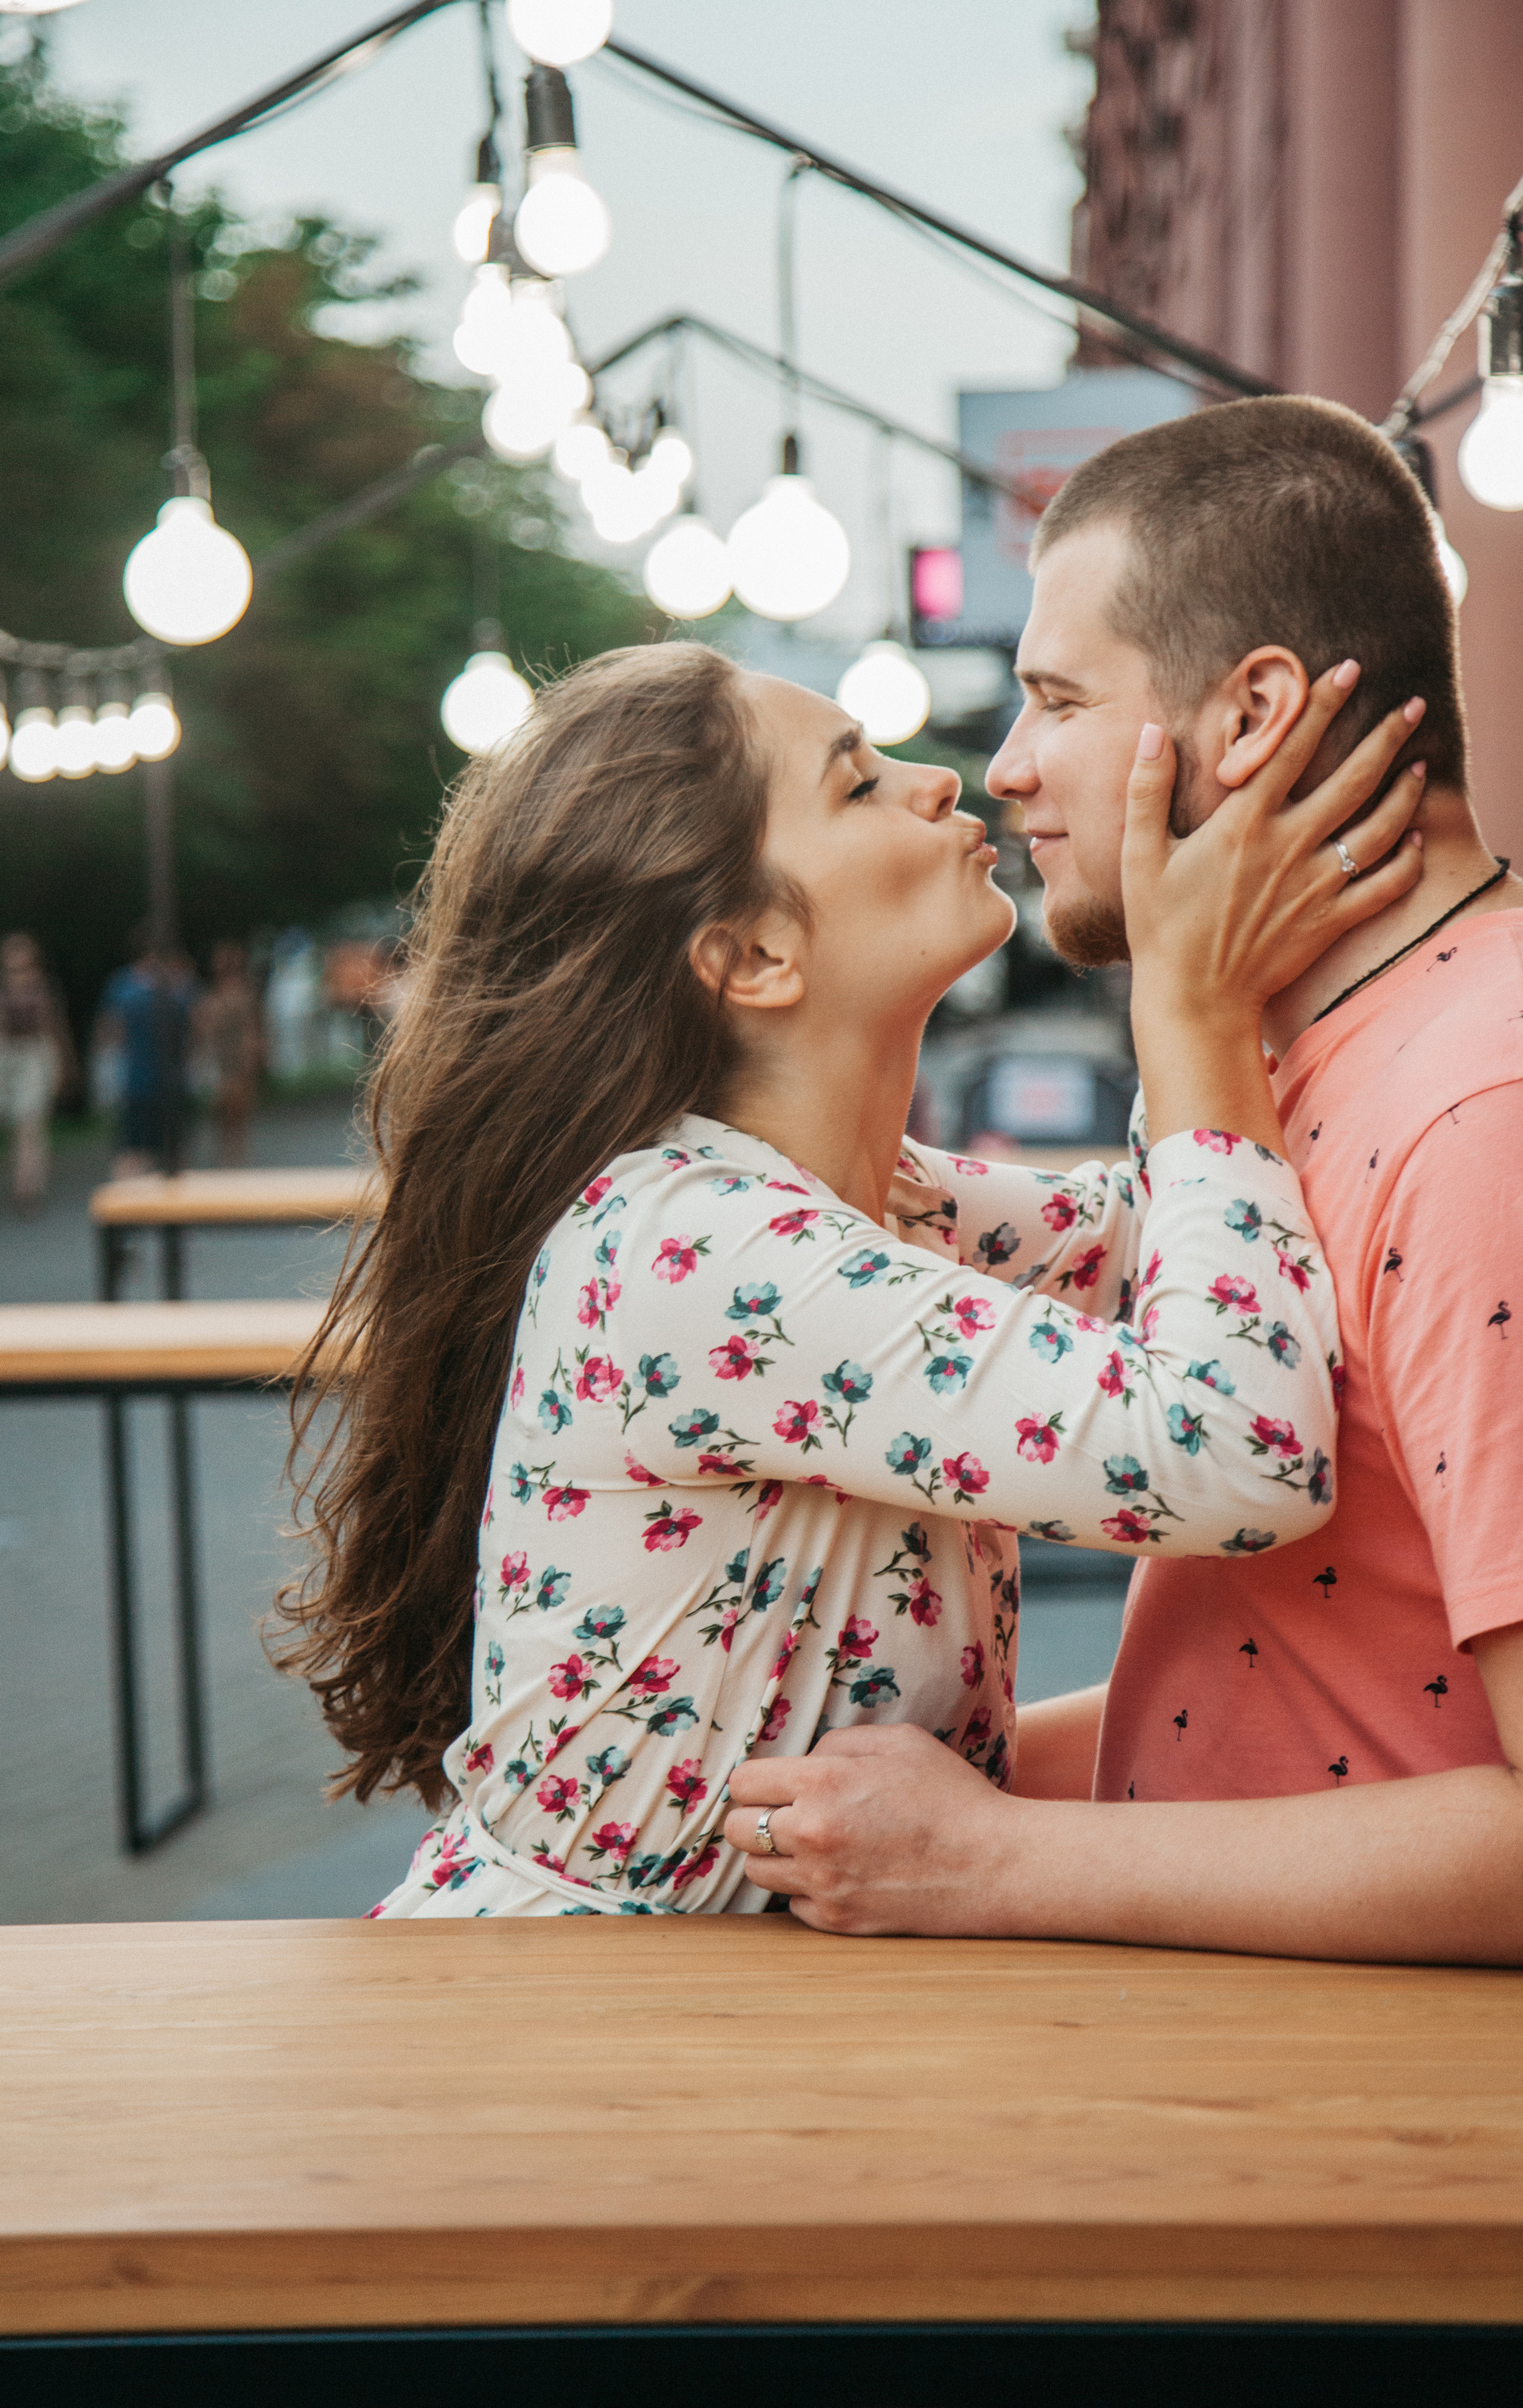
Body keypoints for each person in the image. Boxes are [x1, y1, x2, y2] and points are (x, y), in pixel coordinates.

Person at [273, 637, 1421, 1918]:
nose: (941, 782)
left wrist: (1230, 954)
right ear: (753, 957)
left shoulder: (872, 1206)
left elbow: (1170, 1241)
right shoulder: (697, 1253)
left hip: (734, 2017)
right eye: (858, 784)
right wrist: (1191, 1007)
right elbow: (1235, 1448)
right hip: (574, 2032)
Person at [724, 396, 1523, 1968]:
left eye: (1054, 698)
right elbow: (1312, 1669)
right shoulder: (1307, 1059)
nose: (1003, 770)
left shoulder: (1478, 1111)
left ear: (1248, 716)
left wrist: (995, 1861)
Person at [0, 932, 76, 1214]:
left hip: (35, 1056)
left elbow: (53, 1027)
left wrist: (63, 1064)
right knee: (19, 1127)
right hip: (8, 1056)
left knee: (30, 1123)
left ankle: (27, 1187)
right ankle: (26, 1177)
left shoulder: (41, 987)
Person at [93, 924, 197, 1177]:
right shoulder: (179, 986)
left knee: (132, 1153)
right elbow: (196, 1030)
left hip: (136, 1081)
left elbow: (110, 1034)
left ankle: (125, 1212)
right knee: (175, 1155)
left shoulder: (123, 987)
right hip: (173, 1081)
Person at [193, 941, 263, 1169]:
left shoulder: (237, 994)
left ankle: (234, 1160)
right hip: (223, 1062)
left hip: (234, 1064)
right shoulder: (218, 994)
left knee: (234, 1117)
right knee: (227, 1117)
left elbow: (252, 1030)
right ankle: (231, 1160)